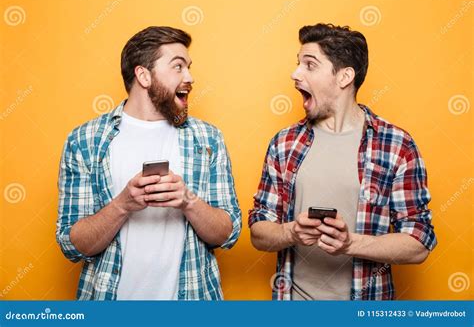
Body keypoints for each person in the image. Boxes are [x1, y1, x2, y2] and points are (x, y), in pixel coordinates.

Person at [249, 23, 437, 300]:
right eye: (298, 64)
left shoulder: (397, 146)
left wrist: (350, 243)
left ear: (345, 76)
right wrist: (292, 232)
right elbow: (258, 232)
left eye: (309, 65)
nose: (295, 74)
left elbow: (419, 243)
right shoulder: (284, 143)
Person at [56, 26, 241, 300]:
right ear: (143, 75)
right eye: (178, 67)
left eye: (188, 67)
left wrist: (187, 200)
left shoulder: (208, 138)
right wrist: (122, 205)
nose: (190, 77)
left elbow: (228, 234)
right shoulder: (85, 140)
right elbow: (72, 246)